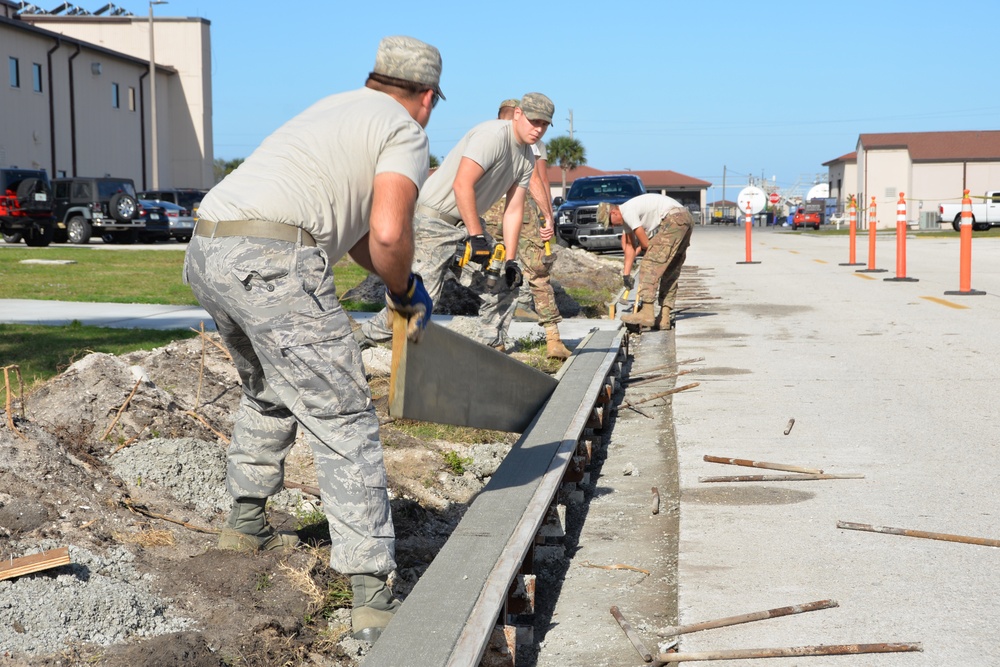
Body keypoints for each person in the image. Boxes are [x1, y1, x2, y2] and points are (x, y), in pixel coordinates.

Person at [182, 35, 442, 643]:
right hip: (273, 258)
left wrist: (387, 272)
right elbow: (385, 233)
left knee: (268, 390)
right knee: (344, 415)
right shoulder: (405, 130)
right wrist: (405, 292)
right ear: (427, 97)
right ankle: (372, 594)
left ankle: (244, 523)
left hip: (207, 247)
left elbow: (355, 237)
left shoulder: (335, 107)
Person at [358, 92, 554, 350]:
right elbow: (462, 185)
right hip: (433, 223)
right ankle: (358, 340)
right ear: (518, 114)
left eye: (544, 125)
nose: (538, 129)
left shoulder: (527, 157)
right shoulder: (492, 136)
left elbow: (513, 210)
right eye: (534, 121)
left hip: (467, 227)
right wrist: (476, 237)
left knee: (506, 284)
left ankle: (491, 349)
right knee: (415, 307)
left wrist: (509, 261)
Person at [493, 98, 571, 359]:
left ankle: (497, 340)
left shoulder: (490, 135)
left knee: (495, 273)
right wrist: (547, 216)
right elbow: (539, 179)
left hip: (491, 210)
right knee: (537, 274)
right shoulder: (532, 142)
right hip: (522, 209)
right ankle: (553, 339)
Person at [599, 193, 693, 330]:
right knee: (670, 269)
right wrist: (626, 274)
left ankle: (647, 312)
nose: (613, 226)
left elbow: (644, 243)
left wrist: (647, 252)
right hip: (685, 219)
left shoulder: (627, 211)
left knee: (649, 265)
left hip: (673, 219)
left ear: (614, 212)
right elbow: (630, 247)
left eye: (611, 222)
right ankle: (664, 317)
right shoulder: (627, 219)